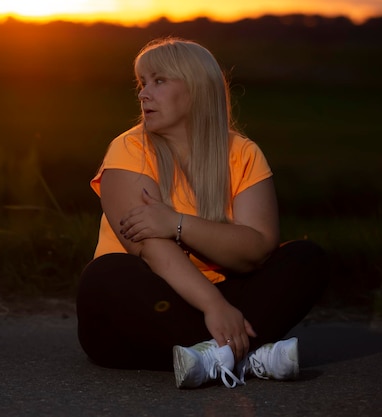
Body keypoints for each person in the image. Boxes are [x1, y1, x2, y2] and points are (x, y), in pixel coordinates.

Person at [76, 37, 328, 389]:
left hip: (220, 297)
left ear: (196, 89)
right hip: (145, 307)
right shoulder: (130, 147)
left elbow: (256, 249)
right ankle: (249, 355)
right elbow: (148, 246)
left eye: (159, 81)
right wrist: (214, 306)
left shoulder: (243, 153)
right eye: (142, 83)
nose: (143, 93)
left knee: (305, 258)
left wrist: (176, 223)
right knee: (104, 275)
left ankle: (211, 357)